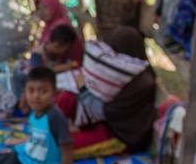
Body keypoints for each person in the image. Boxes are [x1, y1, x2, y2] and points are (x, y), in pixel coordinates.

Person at [56, 25, 158, 153]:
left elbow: (111, 112)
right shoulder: (120, 73)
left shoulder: (141, 83)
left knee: (59, 146)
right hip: (103, 122)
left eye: (114, 51)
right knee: (67, 98)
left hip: (119, 135)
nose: (111, 56)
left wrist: (84, 93)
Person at [0, 66, 74, 164]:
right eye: (31, 91)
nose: (36, 96)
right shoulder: (35, 111)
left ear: (54, 93)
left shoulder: (55, 117)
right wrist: (19, 141)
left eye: (43, 91)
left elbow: (67, 149)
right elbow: (38, 135)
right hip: (25, 155)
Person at [14, 23, 79, 113]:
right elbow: (37, 74)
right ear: (57, 45)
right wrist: (62, 68)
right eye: (64, 48)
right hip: (25, 77)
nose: (65, 51)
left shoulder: (58, 54)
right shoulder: (37, 54)